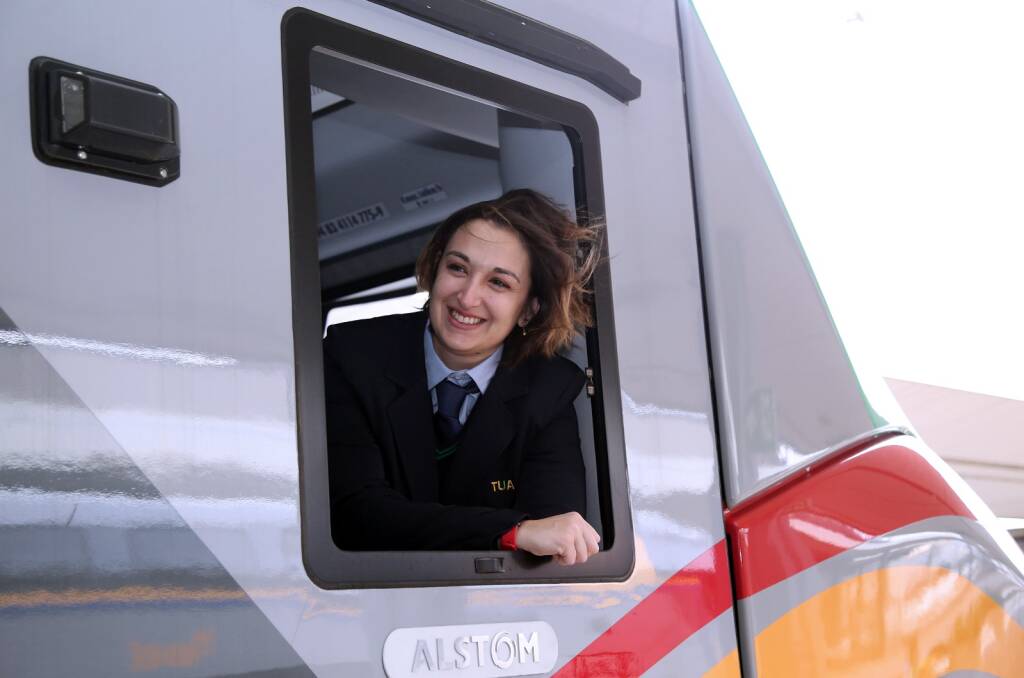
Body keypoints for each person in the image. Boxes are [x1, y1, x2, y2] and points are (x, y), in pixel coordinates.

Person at [324, 189, 601, 565]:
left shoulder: (549, 388)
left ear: (529, 310)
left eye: (498, 283)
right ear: (435, 270)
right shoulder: (353, 355)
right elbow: (358, 513)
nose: (468, 298)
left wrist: (529, 531)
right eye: (458, 268)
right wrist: (512, 532)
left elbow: (555, 529)